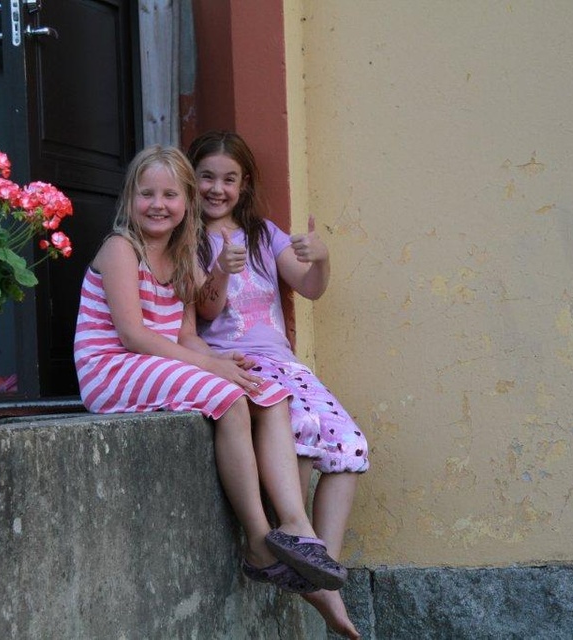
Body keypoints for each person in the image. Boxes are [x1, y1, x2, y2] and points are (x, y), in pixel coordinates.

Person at [73, 145, 348, 595]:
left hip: (152, 362)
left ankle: (296, 526)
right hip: (110, 368)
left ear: (187, 203)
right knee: (232, 398)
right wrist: (209, 367)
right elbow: (133, 336)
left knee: (269, 394)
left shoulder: (182, 256)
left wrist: (219, 361)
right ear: (129, 199)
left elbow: (186, 333)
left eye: (170, 195)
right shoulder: (121, 248)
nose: (158, 205)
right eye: (146, 194)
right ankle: (258, 543)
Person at [186, 131, 369, 639]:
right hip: (239, 360)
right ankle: (304, 550)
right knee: (303, 424)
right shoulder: (188, 240)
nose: (217, 188)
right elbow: (204, 311)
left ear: (244, 185)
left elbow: (309, 288)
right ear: (191, 179)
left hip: (286, 364)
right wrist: (220, 270)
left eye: (229, 179)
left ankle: (320, 570)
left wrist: (322, 258)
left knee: (351, 446)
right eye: (207, 177)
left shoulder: (264, 235)